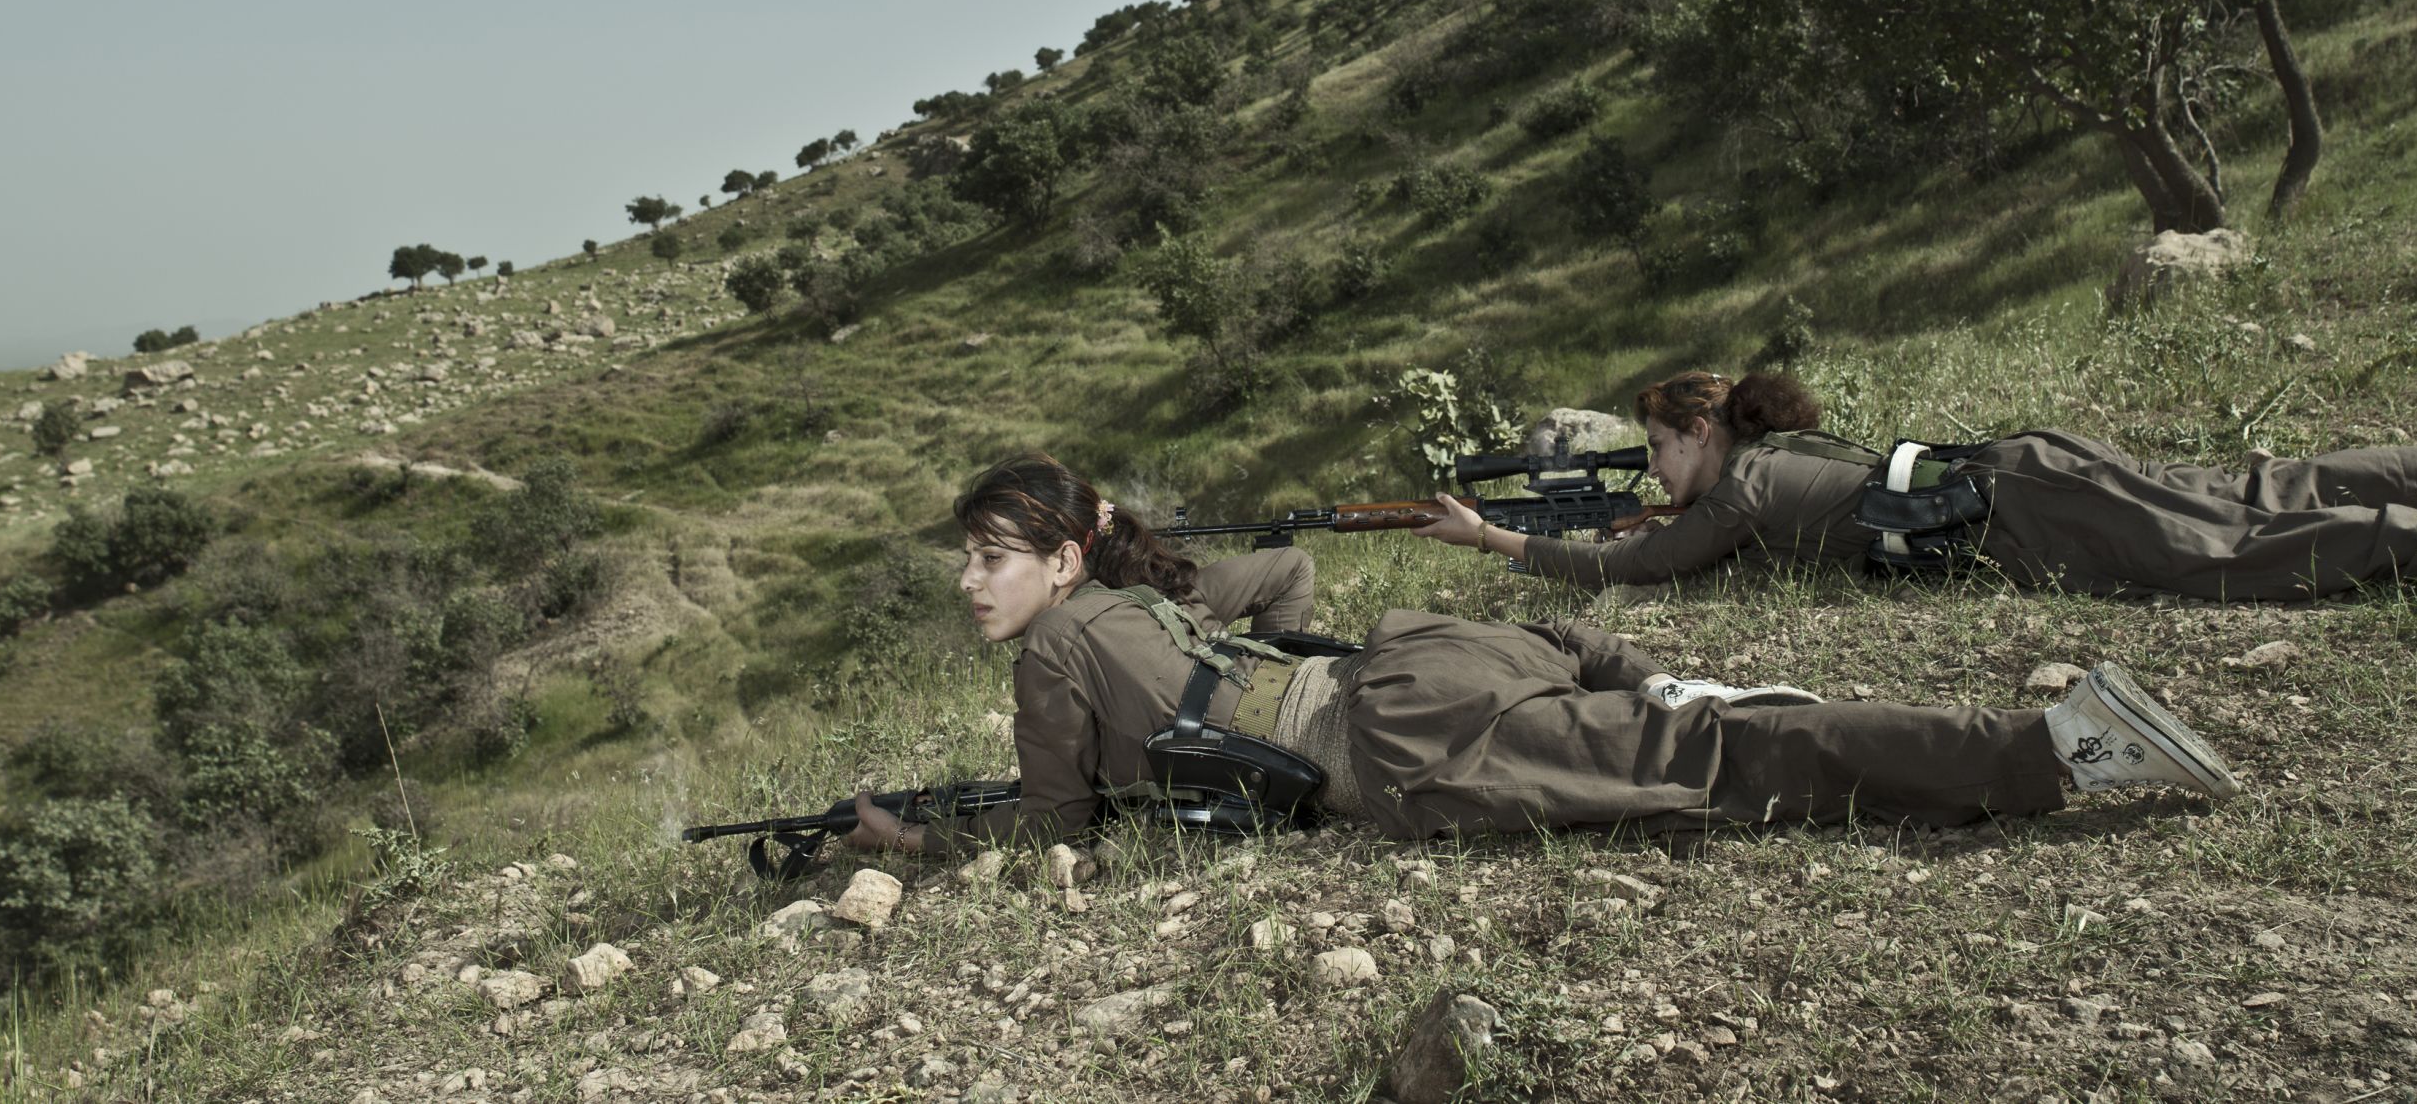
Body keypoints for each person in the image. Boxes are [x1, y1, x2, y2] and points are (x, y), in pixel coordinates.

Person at [842, 453, 2234, 859]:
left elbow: (1050, 827)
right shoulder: (1148, 595)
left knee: (1724, 770)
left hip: (1400, 747)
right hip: (1421, 657)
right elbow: (1292, 577)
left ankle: (2053, 752)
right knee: (1646, 702)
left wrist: (913, 842)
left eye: (993, 558)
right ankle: (1648, 680)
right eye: (966, 559)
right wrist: (1236, 676)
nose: (973, 583)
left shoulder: (1048, 660)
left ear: (1062, 561)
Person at [1409, 370, 2417, 601]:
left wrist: (1488, 538)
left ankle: (2402, 537)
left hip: (2023, 516)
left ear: (1699, 433)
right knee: (2253, 486)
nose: (1653, 467)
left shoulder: (1740, 495)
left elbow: (1631, 568)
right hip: (2024, 471)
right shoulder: (1759, 468)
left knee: (2226, 549)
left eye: (1659, 449)